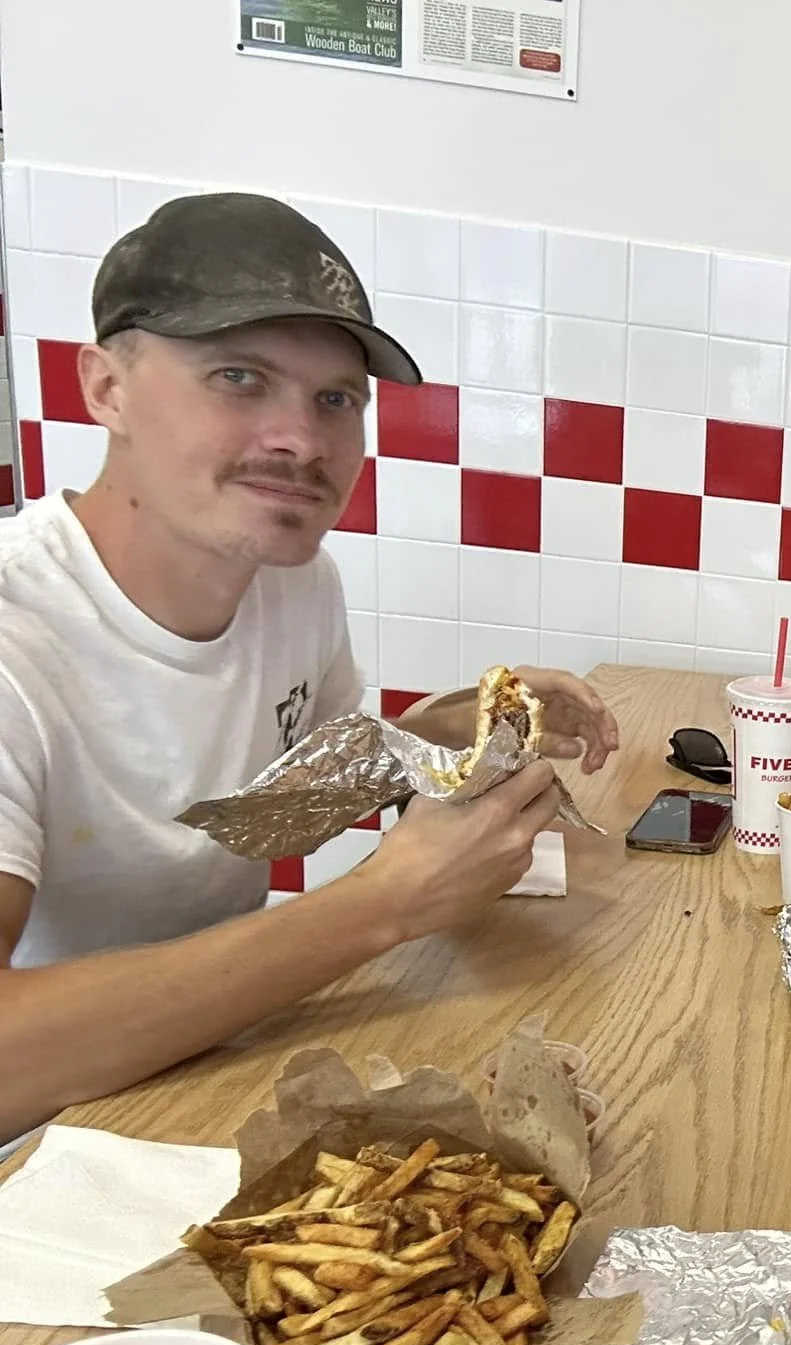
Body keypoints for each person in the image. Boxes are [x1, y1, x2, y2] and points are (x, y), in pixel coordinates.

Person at [0, 193, 620, 1147]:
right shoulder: (15, 634)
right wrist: (380, 907)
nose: (301, 439)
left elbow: (303, 789)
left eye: (336, 399)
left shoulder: (295, 585)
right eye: (239, 377)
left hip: (215, 1081)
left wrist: (464, 728)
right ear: (106, 388)